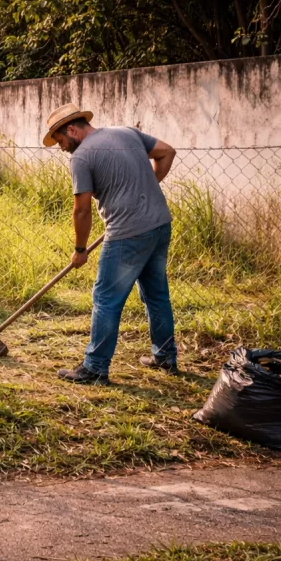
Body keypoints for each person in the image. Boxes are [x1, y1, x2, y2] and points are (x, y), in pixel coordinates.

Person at [43, 103, 179, 385]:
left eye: (60, 140)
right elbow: (167, 152)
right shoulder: (127, 133)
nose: (61, 147)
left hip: (127, 233)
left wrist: (80, 250)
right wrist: (147, 187)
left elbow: (81, 210)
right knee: (156, 295)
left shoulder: (82, 156)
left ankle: (94, 369)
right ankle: (165, 357)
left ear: (71, 130)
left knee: (106, 299)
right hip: (159, 224)